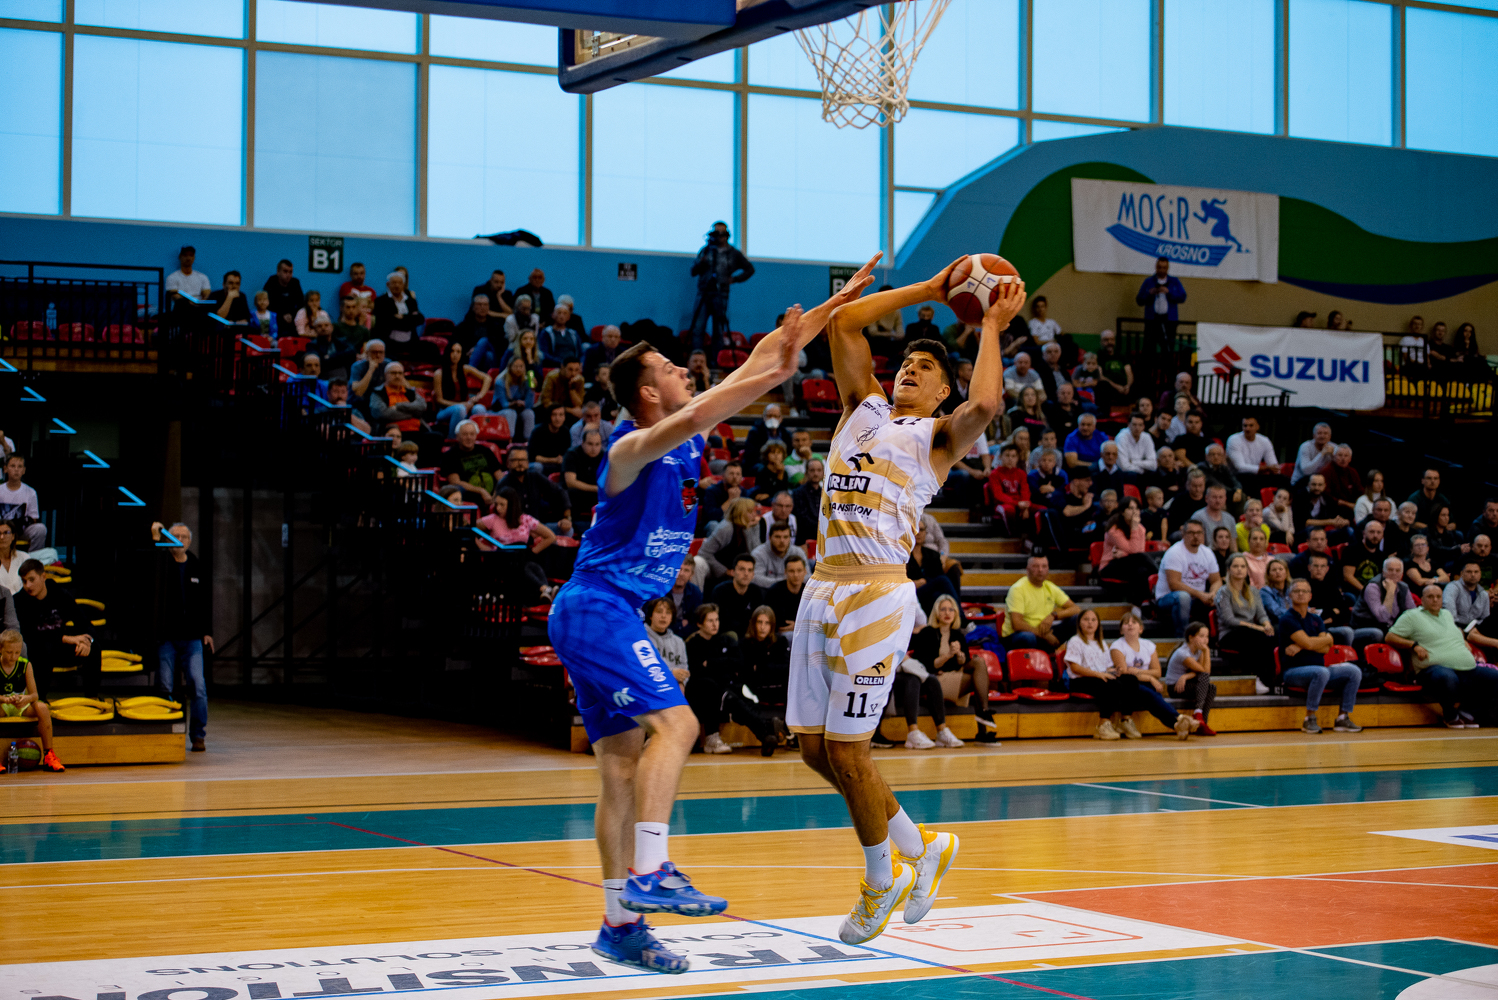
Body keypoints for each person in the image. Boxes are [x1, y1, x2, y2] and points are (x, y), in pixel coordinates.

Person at [546, 259, 872, 973]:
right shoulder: (629, 449)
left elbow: (756, 360)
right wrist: (779, 371)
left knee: (620, 769)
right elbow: (710, 405)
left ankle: (619, 925)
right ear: (646, 392)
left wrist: (831, 309)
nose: (686, 371)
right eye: (670, 368)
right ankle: (651, 869)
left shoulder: (687, 440)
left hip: (603, 612)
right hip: (597, 607)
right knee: (682, 724)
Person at [788, 255, 1024, 946]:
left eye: (925, 369)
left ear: (943, 391)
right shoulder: (862, 408)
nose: (909, 371)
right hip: (821, 586)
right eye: (906, 365)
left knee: (849, 753)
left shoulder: (937, 438)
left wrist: (990, 326)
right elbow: (845, 325)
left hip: (876, 594)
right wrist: (931, 288)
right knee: (814, 751)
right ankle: (923, 849)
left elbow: (986, 406)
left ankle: (879, 880)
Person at [1386, 584, 1498, 729]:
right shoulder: (1411, 616)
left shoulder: (1446, 614)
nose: (1435, 600)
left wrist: (1462, 640)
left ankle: (1468, 713)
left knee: (1494, 676)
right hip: (1432, 669)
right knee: (1448, 677)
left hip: (1464, 667)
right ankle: (1450, 716)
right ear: (1422, 599)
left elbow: (1453, 631)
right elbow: (1390, 637)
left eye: (1438, 597)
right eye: (1430, 597)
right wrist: (1413, 645)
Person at [149, 521, 214, 753]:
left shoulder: (196, 565)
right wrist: (156, 539)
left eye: (184, 536)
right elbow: (150, 573)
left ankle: (198, 735)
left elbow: (205, 601)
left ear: (190, 541)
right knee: (165, 685)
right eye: (174, 536)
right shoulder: (162, 562)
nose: (179, 540)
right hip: (167, 636)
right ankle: (166, 732)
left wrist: (207, 631)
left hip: (192, 637)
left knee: (198, 685)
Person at [1277, 578, 1364, 734]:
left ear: (1310, 596)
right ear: (1290, 595)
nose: (1301, 594)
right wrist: (1317, 641)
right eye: (1297, 591)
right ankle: (1309, 718)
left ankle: (1343, 717)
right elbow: (1316, 643)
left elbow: (1326, 648)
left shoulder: (1316, 619)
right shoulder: (1287, 619)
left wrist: (1301, 645)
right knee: (1321, 672)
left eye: (1305, 591)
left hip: (1319, 669)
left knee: (1353, 671)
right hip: (1294, 671)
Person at [903, 596, 990, 748]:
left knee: (979, 664)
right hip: (933, 680)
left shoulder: (958, 634)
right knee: (978, 681)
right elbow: (924, 665)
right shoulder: (927, 633)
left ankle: (984, 715)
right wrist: (948, 655)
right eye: (943, 609)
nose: (947, 613)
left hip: (953, 676)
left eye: (951, 609)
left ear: (956, 613)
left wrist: (960, 657)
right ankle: (982, 729)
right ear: (936, 613)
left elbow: (960, 665)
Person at [14, 559, 97, 701]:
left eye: (32, 580)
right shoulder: (19, 601)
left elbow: (85, 623)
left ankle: (92, 697)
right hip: (36, 650)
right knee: (41, 647)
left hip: (59, 647)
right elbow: (30, 635)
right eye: (24, 581)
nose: (28, 585)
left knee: (94, 647)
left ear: (43, 576)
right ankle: (39, 700)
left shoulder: (60, 594)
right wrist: (66, 638)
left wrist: (87, 640)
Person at [0, 630, 63, 771]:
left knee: (42, 707)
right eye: (9, 652)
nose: (13, 656)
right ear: (0, 649)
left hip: (20, 705)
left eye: (17, 652)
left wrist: (25, 698)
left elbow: (35, 695)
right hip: (2, 705)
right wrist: (5, 699)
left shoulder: (25, 665)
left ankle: (49, 755)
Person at [689, 221, 755, 353]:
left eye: (722, 234)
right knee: (698, 328)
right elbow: (693, 271)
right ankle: (696, 357)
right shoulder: (706, 250)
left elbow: (750, 269)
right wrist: (701, 263)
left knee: (719, 330)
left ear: (727, 235)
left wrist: (735, 279)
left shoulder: (733, 253)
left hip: (721, 294)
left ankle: (716, 360)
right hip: (704, 293)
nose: (719, 237)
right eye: (716, 233)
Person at [683, 603, 739, 755]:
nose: (715, 624)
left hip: (718, 686)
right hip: (697, 689)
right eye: (710, 621)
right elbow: (696, 672)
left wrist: (711, 664)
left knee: (728, 692)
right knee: (710, 686)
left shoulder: (722, 640)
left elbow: (736, 664)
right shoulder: (692, 644)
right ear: (699, 623)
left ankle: (767, 733)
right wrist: (720, 666)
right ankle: (711, 738)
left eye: (717, 620)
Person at [736, 606, 792, 755]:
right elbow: (745, 673)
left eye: (767, 623)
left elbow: (786, 668)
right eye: (759, 622)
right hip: (755, 690)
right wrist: (770, 669)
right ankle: (776, 731)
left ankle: (787, 731)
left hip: (778, 687)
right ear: (753, 623)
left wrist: (761, 667)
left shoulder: (780, 641)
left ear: (772, 626)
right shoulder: (745, 644)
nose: (762, 627)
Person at [1213, 553, 1276, 683]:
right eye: (1235, 566)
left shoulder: (1253, 591)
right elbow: (1229, 620)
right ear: (1228, 570)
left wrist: (1267, 625)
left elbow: (1261, 614)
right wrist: (1256, 627)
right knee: (1256, 636)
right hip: (1230, 634)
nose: (1239, 569)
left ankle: (1272, 678)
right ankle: (1260, 678)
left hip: (1250, 632)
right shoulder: (1223, 592)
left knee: (1275, 633)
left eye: (1243, 566)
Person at [1156, 520, 1221, 636]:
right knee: (1183, 597)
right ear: (1183, 534)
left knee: (1224, 594)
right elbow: (1174, 584)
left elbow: (1216, 580)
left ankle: (1214, 639)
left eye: (1199, 533)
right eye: (1191, 533)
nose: (1195, 536)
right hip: (1168, 598)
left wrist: (1212, 594)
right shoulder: (1175, 552)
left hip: (1197, 598)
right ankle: (1182, 638)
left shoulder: (1207, 552)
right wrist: (1201, 595)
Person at [495, 445, 572, 536]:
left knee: (568, 530)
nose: (520, 463)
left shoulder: (535, 476)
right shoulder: (503, 484)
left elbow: (559, 492)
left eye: (523, 460)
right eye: (515, 460)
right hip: (515, 529)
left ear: (528, 463)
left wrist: (567, 518)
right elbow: (502, 515)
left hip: (539, 526)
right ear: (508, 463)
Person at [1135, 256, 1187, 376]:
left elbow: (1182, 297)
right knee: (1149, 348)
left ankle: (1167, 375)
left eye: (1164, 267)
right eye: (1159, 267)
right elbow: (1139, 300)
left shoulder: (1174, 281)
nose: (1162, 270)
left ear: (1167, 268)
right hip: (1152, 319)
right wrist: (1150, 293)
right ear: (1156, 267)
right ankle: (1147, 375)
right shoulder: (1149, 281)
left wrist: (1169, 292)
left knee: (1167, 348)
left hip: (1169, 320)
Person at [1165, 622, 1218, 735]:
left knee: (1212, 688)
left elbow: (1202, 672)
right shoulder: (1183, 653)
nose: (1205, 640)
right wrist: (1207, 651)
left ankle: (1202, 723)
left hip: (1188, 683)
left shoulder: (1199, 651)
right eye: (1201, 636)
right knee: (1205, 680)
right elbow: (1205, 671)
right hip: (1175, 687)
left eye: (1207, 636)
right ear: (1191, 637)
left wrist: (1186, 676)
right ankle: (1198, 713)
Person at [438, 420, 502, 507]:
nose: (469, 437)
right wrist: (481, 491)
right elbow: (455, 482)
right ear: (457, 437)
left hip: (494, 493)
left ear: (476, 436)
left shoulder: (486, 451)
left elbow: (500, 476)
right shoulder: (450, 455)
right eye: (465, 434)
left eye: (472, 434)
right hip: (469, 494)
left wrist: (497, 493)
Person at [1097, 504, 1150, 605]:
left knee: (1142, 571)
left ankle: (1139, 606)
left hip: (1130, 564)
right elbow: (1135, 552)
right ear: (1122, 512)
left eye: (1137, 508)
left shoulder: (1141, 528)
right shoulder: (1114, 530)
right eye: (1130, 508)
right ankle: (1158, 572)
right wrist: (1134, 528)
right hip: (1110, 566)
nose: (1134, 512)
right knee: (1141, 559)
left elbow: (1140, 551)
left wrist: (1125, 553)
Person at [0, 455, 46, 551]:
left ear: (24, 470)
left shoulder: (30, 492)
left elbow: (34, 518)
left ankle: (30, 557)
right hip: (1, 530)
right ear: (5, 469)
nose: (16, 470)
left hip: (22, 530)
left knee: (40, 529)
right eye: (13, 466)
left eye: (20, 466)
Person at [373, 271, 423, 357]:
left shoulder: (411, 301)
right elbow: (387, 321)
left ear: (403, 285)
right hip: (389, 342)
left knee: (431, 349)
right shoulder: (380, 301)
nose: (397, 285)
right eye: (394, 283)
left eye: (399, 283)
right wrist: (409, 320)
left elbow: (420, 319)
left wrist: (403, 317)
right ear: (388, 284)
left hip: (411, 341)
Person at [369, 362, 427, 435]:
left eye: (400, 373)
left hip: (418, 430)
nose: (397, 376)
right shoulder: (378, 393)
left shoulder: (410, 392)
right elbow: (382, 414)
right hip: (393, 433)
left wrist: (398, 406)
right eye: (393, 373)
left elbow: (422, 406)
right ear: (385, 375)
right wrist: (411, 414)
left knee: (436, 436)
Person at [987, 442, 1030, 534]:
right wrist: (1017, 504)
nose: (1010, 459)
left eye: (1013, 456)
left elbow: (1025, 491)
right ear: (1000, 457)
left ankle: (1031, 539)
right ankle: (1013, 537)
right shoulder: (995, 474)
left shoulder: (1021, 473)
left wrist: (1025, 507)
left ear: (1017, 458)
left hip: (1021, 503)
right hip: (1002, 504)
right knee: (1009, 510)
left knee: (1041, 509)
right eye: (1007, 455)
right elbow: (998, 495)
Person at [1293, 473, 1350, 543]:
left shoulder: (1326, 497)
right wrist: (1331, 522)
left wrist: (1342, 521)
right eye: (1314, 484)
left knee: (1348, 530)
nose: (1317, 488)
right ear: (1308, 485)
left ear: (1324, 486)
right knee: (1314, 531)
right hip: (1303, 532)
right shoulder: (1300, 497)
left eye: (1320, 485)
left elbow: (1337, 514)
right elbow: (1306, 522)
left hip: (1322, 531)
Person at [642, 597, 689, 681]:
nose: (663, 616)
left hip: (675, 685)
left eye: (668, 613)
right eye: (659, 611)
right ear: (650, 615)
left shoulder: (679, 641)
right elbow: (641, 669)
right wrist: (670, 674)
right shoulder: (641, 638)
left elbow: (684, 669)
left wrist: (682, 682)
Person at [751, 522, 806, 590]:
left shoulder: (798, 552)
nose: (782, 541)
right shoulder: (758, 553)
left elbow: (807, 576)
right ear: (770, 538)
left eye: (785, 537)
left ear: (790, 538)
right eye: (777, 537)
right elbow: (756, 579)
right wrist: (786, 582)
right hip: (767, 591)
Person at [563, 428, 604, 520]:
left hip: (595, 495)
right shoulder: (572, 454)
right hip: (577, 495)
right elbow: (570, 482)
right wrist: (596, 489)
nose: (594, 448)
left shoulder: (604, 456)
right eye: (590, 444)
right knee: (571, 493)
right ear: (582, 443)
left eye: (597, 444)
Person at [764, 553, 807, 631]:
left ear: (805, 572)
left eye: (799, 570)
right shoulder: (774, 592)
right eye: (791, 571)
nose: (796, 575)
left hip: (803, 631)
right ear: (785, 572)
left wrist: (798, 626)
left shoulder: (809, 593)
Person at [527, 404, 573, 477]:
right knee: (536, 467)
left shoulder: (565, 431)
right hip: (541, 464)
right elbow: (532, 457)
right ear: (549, 416)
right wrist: (554, 460)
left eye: (561, 415)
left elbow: (567, 454)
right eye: (554, 415)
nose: (557, 419)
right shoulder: (538, 431)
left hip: (558, 465)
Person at [262, 259, 304, 337]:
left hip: (292, 319)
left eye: (290, 272)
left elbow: (301, 304)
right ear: (278, 272)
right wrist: (281, 316)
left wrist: (292, 315)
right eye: (285, 271)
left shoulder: (295, 283)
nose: (288, 275)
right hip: (276, 319)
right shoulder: (271, 282)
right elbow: (266, 304)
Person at [1093, 329, 1134, 409]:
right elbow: (1100, 376)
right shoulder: (1098, 356)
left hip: (1124, 387)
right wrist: (1117, 387)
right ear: (1101, 342)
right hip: (1110, 387)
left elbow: (1129, 373)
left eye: (1112, 339)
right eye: (1106, 340)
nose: (1109, 342)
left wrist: (1128, 386)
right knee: (1102, 385)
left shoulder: (1121, 355)